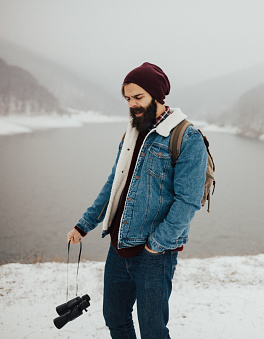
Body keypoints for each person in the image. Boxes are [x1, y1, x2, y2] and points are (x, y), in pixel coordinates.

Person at [66, 62, 207, 339]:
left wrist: (157, 245)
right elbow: (114, 185)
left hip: (154, 255)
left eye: (138, 97)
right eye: (128, 99)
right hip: (119, 247)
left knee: (153, 331)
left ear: (157, 96)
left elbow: (188, 201)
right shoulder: (131, 133)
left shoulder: (187, 137)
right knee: (115, 319)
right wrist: (84, 225)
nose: (132, 105)